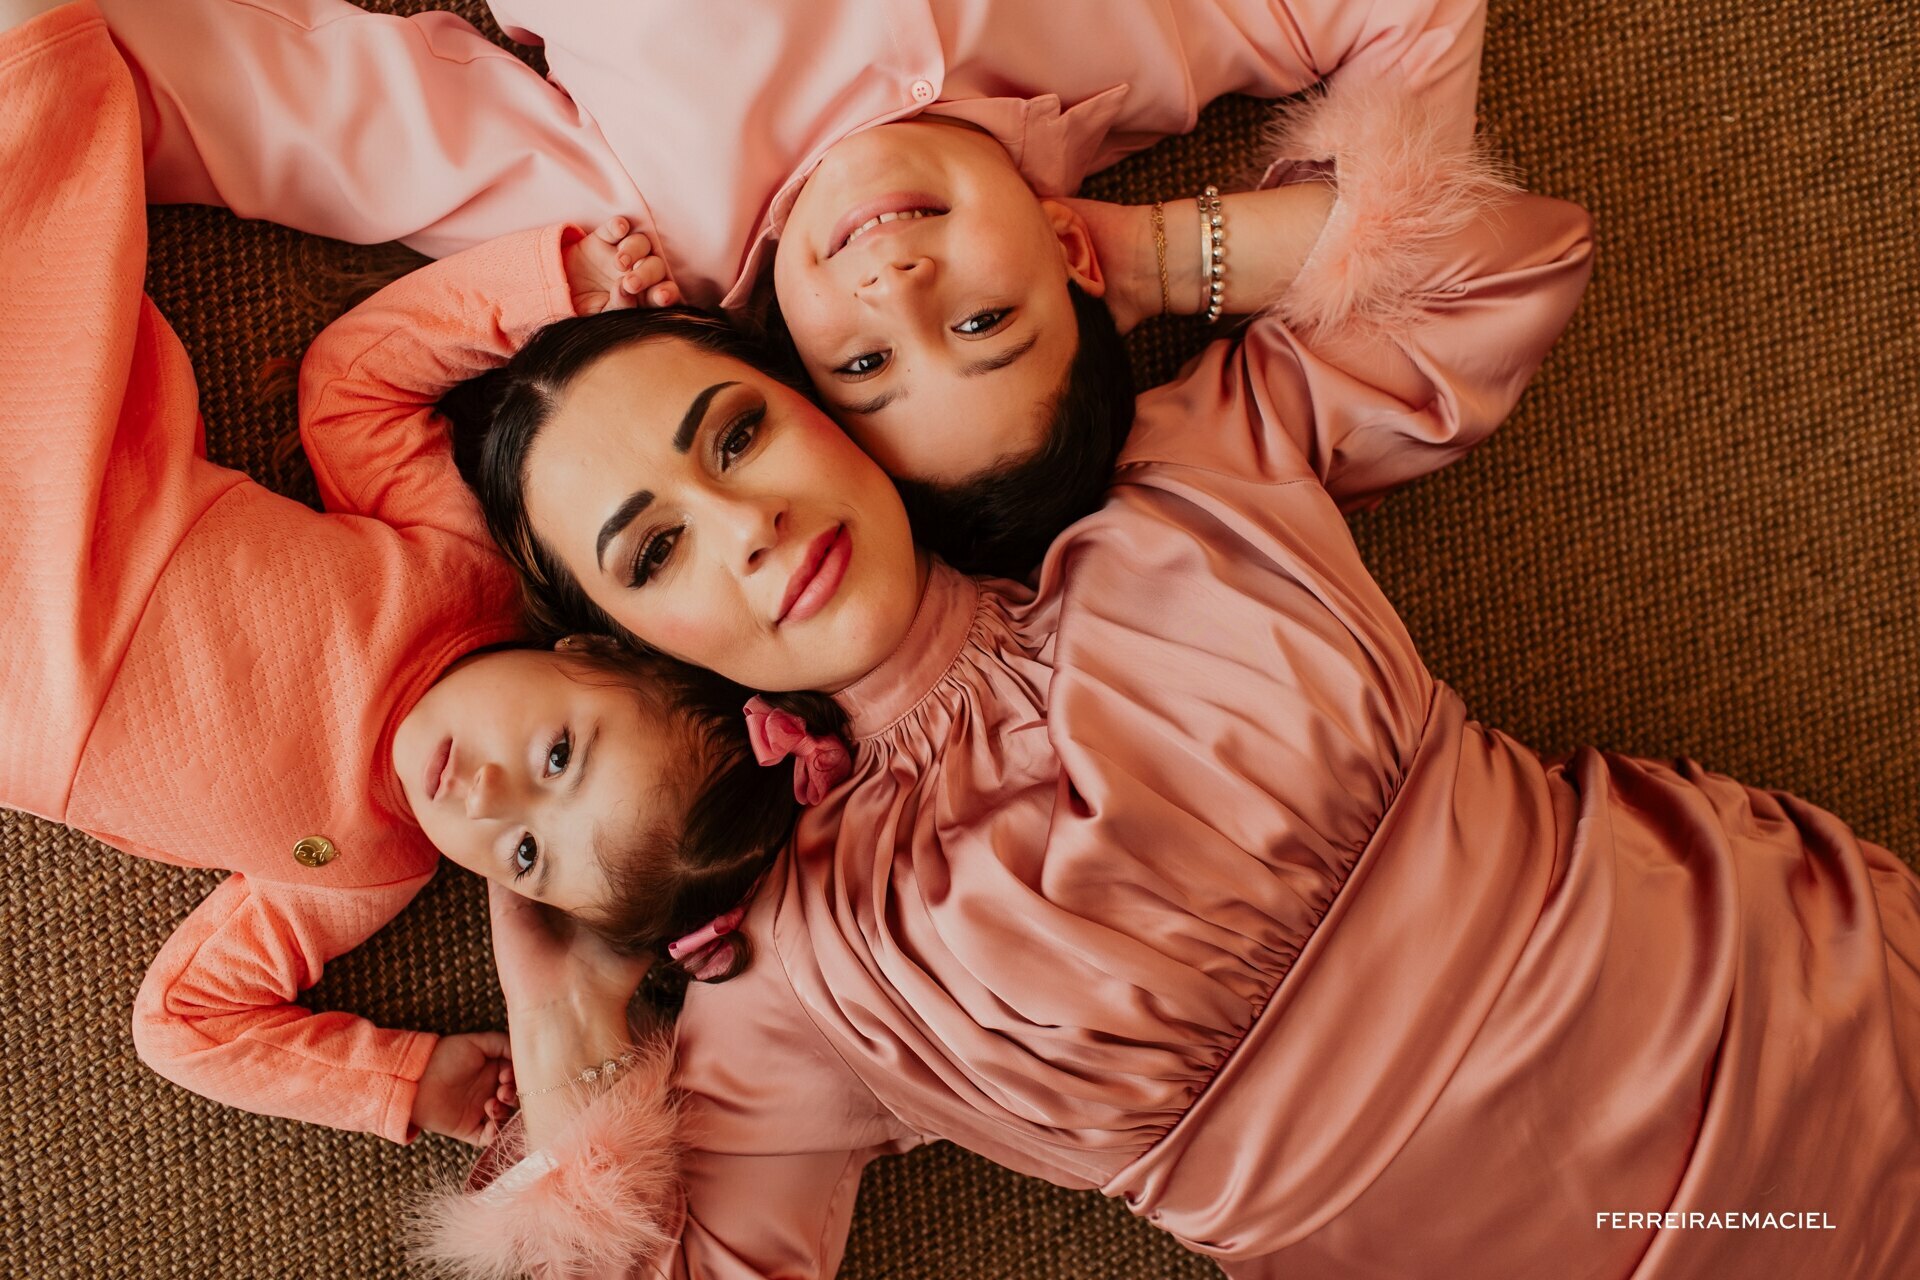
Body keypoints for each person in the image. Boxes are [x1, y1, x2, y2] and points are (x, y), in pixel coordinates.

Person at [0, 1, 806, 1151]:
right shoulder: (463, 578)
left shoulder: (362, 871)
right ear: (586, 651)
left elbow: (184, 1020)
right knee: (54, 153)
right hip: (71, 478)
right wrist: (544, 284)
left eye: (525, 852)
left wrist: (404, 1080)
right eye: (557, 754)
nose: (481, 797)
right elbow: (353, 383)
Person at [99, 0, 1487, 572]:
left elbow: (291, 114)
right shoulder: (1144, 51)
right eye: (986, 322)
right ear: (1072, 254)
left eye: (865, 363)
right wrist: (1170, 253)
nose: (896, 279)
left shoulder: (647, 233)